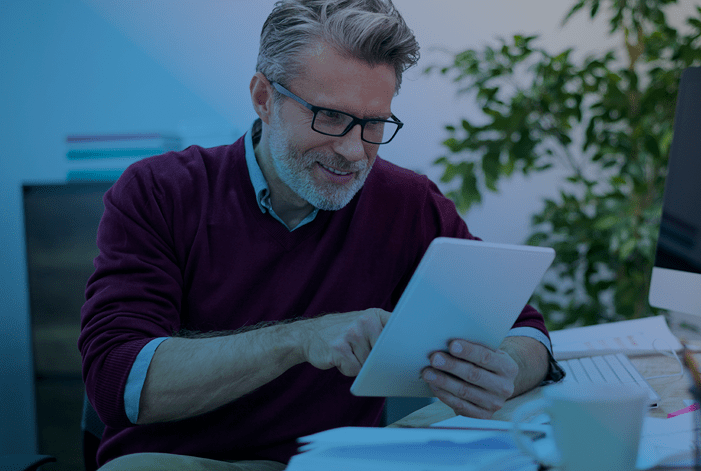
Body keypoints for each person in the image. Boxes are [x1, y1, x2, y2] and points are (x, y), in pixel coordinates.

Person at [79, 1, 560, 470]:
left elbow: (524, 329)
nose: (354, 151)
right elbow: (119, 380)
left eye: (374, 124)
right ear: (264, 98)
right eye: (329, 116)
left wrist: (506, 371)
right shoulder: (160, 191)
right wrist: (300, 339)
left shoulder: (406, 201)